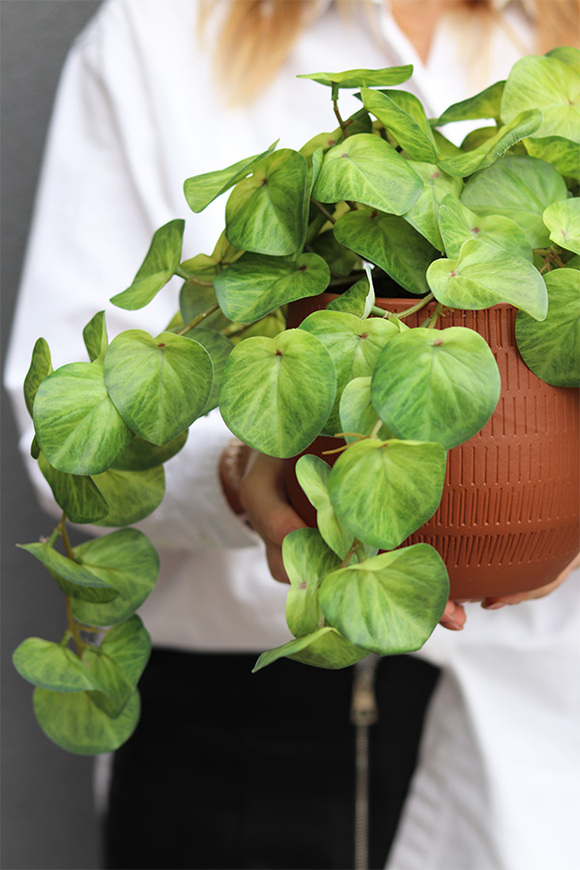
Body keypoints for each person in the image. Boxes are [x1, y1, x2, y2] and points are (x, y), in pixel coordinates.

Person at [4, 1, 580, 868]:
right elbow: (67, 441)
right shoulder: (158, 33)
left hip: (535, 744)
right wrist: (238, 471)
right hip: (241, 749)